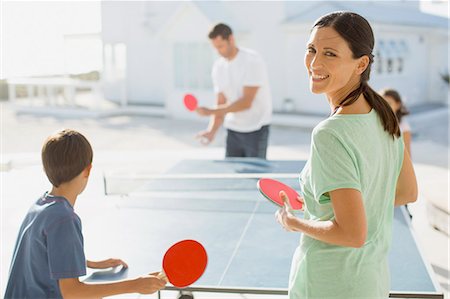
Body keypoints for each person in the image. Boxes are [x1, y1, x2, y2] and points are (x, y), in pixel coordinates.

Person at [274, 12, 417, 298]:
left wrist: (295, 222)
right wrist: (337, 206)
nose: (315, 63)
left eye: (330, 53)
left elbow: (352, 234)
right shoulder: (384, 113)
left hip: (331, 285)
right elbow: (406, 192)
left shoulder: (330, 133)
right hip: (371, 283)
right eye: (311, 49)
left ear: (361, 64)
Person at [4, 129, 167, 299]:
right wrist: (135, 285)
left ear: (46, 169)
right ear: (88, 170)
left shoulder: (40, 205)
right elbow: (72, 292)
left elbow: (42, 254)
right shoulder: (64, 219)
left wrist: (87, 263)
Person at [195, 23, 272, 159]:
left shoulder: (252, 61)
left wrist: (210, 111)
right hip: (232, 130)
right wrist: (211, 131)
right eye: (215, 48)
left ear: (231, 39)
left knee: (254, 176)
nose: (218, 51)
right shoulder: (218, 67)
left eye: (220, 46)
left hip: (256, 129)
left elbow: (245, 103)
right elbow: (221, 102)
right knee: (234, 178)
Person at [380, 88, 412, 156]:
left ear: (398, 105)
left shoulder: (404, 127)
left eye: (389, 103)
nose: (385, 107)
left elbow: (407, 154)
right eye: (383, 103)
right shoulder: (378, 122)